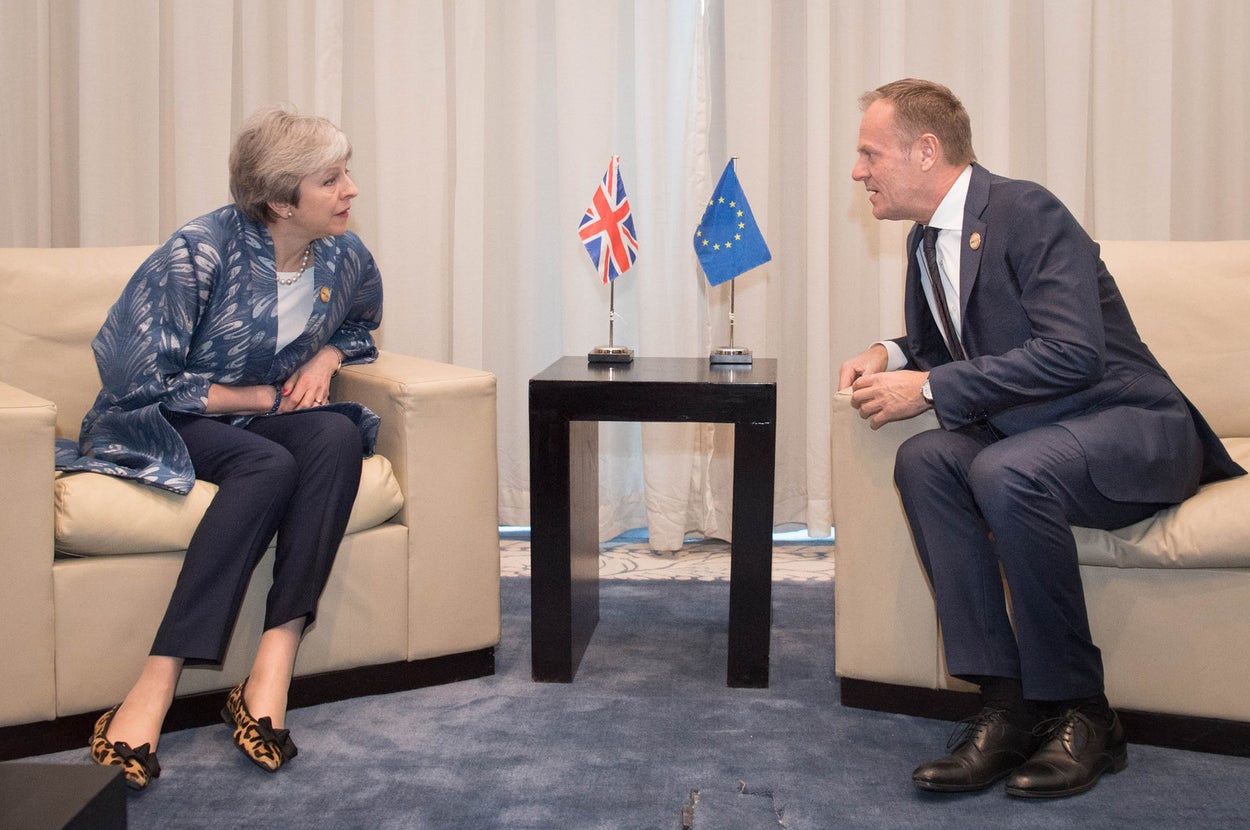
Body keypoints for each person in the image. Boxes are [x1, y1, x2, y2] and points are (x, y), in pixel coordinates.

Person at [839, 79, 1244, 799]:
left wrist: (927, 389)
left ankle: (1085, 712)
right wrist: (892, 354)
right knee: (926, 458)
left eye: (870, 153)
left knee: (1008, 471)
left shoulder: (1027, 212)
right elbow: (946, 344)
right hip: (1040, 434)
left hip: (1132, 427)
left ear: (926, 150)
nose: (857, 170)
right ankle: (1007, 706)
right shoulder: (925, 239)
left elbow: (1074, 353)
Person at [68, 106, 384, 790]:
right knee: (268, 463)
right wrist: (262, 398)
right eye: (331, 179)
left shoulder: (345, 255)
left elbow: (360, 323)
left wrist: (326, 357)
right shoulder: (199, 252)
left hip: (254, 418)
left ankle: (273, 666)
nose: (350, 190)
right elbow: (134, 375)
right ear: (280, 201)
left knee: (334, 433)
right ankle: (155, 683)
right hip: (161, 417)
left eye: (346, 173)